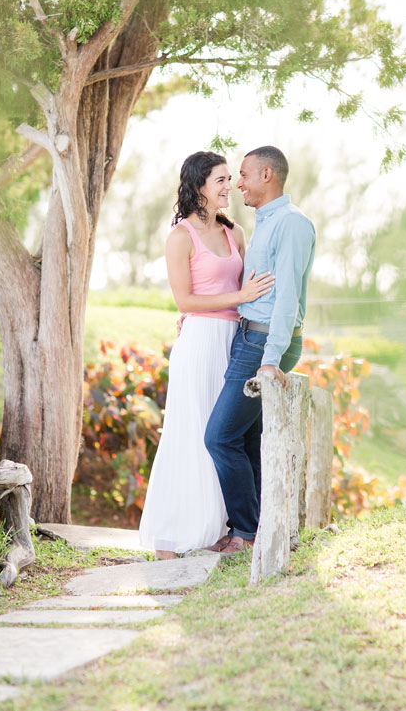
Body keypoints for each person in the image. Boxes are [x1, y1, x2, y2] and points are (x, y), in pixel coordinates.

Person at [138, 151, 274, 559]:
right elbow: (184, 300)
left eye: (231, 178)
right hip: (199, 345)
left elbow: (252, 288)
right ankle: (177, 532)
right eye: (220, 179)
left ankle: (224, 527)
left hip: (235, 343)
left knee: (226, 436)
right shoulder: (181, 237)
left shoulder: (235, 233)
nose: (229, 186)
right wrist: (240, 296)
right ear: (198, 185)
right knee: (194, 434)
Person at [203, 145, 316, 556]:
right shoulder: (264, 222)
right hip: (248, 336)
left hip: (264, 343)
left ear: (267, 175)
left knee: (219, 436)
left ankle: (247, 531)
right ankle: (251, 530)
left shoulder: (291, 224)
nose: (237, 183)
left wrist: (271, 359)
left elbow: (287, 298)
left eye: (245, 174)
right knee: (246, 440)